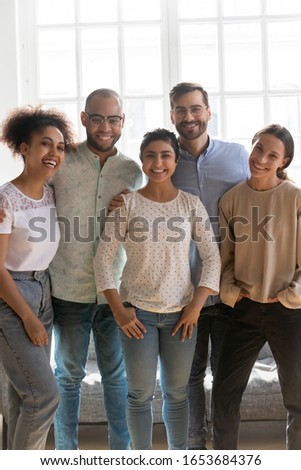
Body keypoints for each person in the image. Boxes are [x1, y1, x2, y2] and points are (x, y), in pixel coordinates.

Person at [94, 128, 221, 450]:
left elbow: (212, 259)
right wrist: (118, 311)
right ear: (142, 160)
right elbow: (102, 261)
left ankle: (177, 458)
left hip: (182, 316)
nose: (158, 162)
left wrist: (195, 307)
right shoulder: (127, 204)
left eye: (165, 155)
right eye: (150, 155)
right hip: (138, 316)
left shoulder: (191, 205)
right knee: (139, 394)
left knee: (177, 393)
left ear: (176, 161)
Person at [49, 88, 144, 450]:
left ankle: (121, 453)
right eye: (98, 118)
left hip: (115, 293)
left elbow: (148, 219)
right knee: (68, 375)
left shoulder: (133, 171)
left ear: (122, 122)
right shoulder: (61, 161)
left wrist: (135, 202)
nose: (106, 127)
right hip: (67, 287)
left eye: (114, 119)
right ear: (84, 118)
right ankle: (65, 453)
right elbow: (29, 195)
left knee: (115, 376)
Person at [169, 82, 250, 449]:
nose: (189, 117)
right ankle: (194, 447)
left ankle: (224, 447)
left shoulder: (236, 155)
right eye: (181, 110)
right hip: (185, 291)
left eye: (195, 109)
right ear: (172, 115)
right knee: (189, 376)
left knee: (225, 375)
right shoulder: (164, 161)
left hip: (232, 286)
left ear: (208, 112)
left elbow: (264, 188)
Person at [212, 124, 301, 450]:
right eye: (258, 148)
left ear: (284, 161)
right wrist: (232, 292)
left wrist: (291, 295)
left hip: (288, 311)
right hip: (244, 308)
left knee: (297, 397)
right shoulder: (232, 199)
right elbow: (227, 258)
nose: (261, 158)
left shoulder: (295, 199)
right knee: (223, 394)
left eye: (272, 154)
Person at [0, 105, 75, 449]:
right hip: (13, 297)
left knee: (22, 397)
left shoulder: (50, 191)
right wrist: (27, 316)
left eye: (59, 147)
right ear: (24, 148)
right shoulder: (5, 199)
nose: (54, 153)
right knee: (44, 398)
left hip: (44, 289)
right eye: (45, 144)